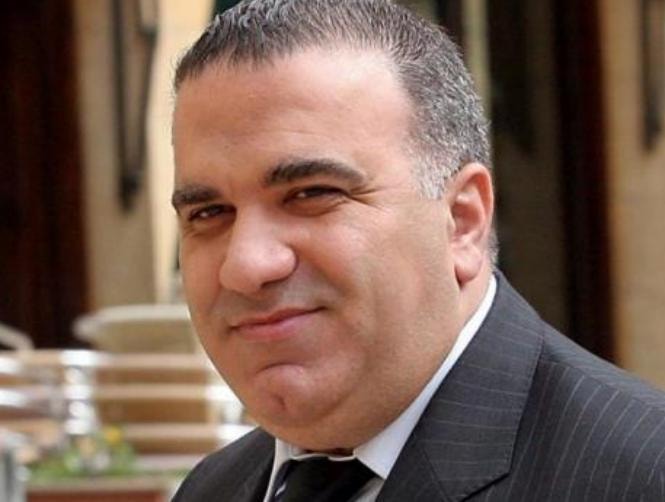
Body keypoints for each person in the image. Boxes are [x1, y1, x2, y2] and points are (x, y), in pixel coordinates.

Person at [170, 1, 665, 500]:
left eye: (311, 194)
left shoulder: (640, 477)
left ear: (462, 221)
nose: (246, 264)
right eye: (209, 213)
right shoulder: (213, 490)